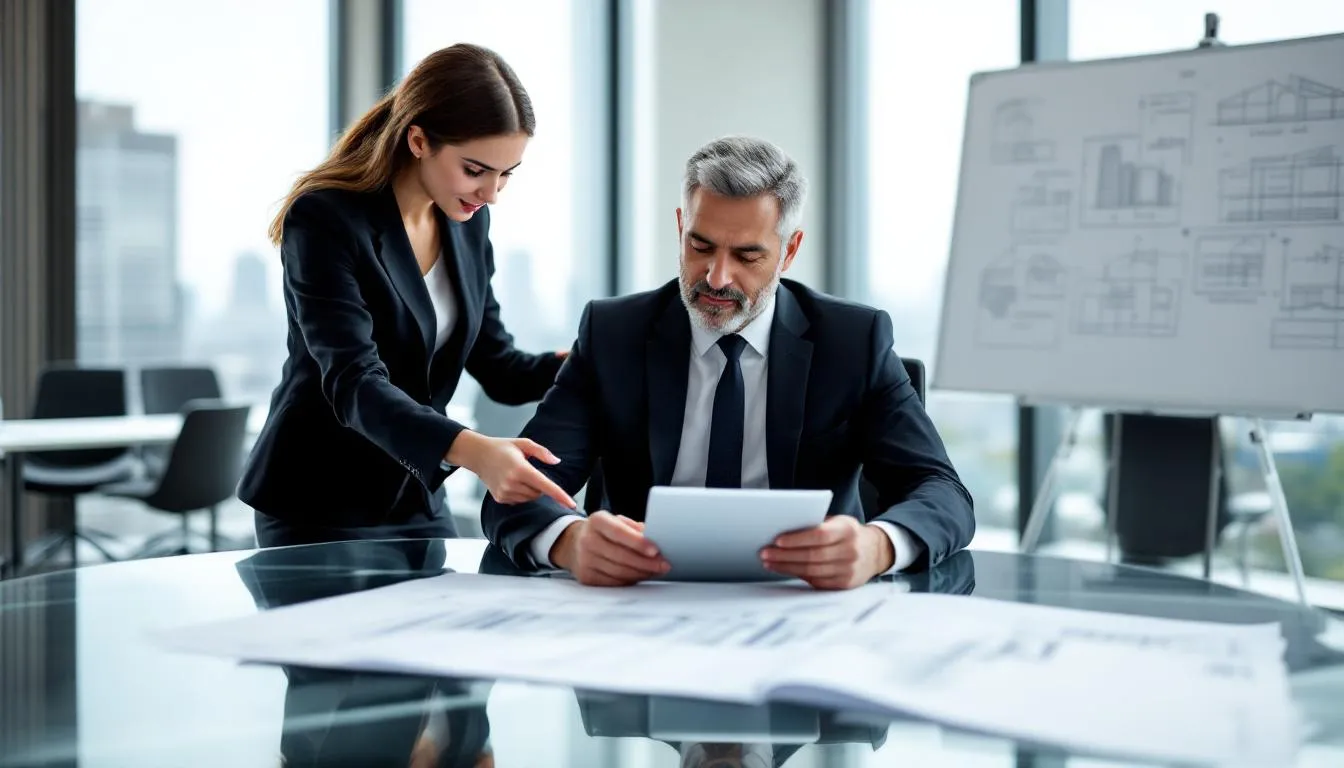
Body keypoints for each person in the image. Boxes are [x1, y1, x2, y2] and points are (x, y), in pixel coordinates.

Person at [481, 135, 975, 590]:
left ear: (789, 251)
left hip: (806, 614)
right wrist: (570, 542)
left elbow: (942, 491)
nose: (717, 277)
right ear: (681, 226)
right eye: (700, 246)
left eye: (747, 256)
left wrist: (877, 545)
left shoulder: (852, 342)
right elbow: (518, 490)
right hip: (639, 610)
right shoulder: (614, 335)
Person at [241, 43, 576, 548]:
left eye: (506, 174)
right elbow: (355, 383)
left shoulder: (467, 222)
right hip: (316, 499)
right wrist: (474, 451)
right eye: (475, 170)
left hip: (413, 496)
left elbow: (500, 366)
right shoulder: (326, 218)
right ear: (418, 140)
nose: (491, 194)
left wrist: (593, 357)